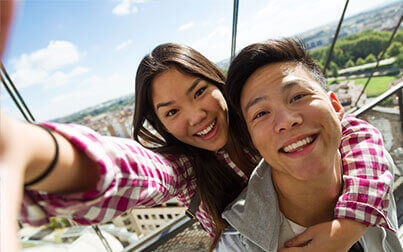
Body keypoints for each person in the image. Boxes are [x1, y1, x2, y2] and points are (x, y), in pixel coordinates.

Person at [0, 5, 395, 251]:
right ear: (162, 126)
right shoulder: (186, 170)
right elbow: (132, 170)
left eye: (199, 91)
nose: (195, 117)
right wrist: (41, 156)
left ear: (221, 85)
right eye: (171, 113)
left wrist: (349, 225)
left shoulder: (262, 116)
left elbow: (358, 135)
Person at [216, 38, 401, 251]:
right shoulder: (238, 244)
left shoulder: (376, 164)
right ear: (252, 141)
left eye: (298, 96)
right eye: (261, 113)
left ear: (335, 106)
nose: (286, 120)